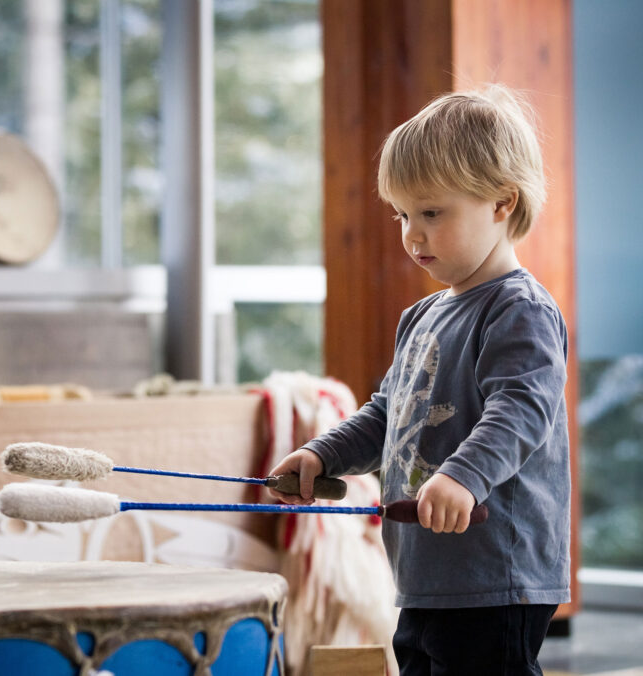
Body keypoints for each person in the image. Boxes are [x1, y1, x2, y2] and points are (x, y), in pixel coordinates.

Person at [269, 84, 570, 675]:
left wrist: (465, 474)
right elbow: (388, 413)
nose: (412, 233)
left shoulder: (519, 309)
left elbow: (522, 409)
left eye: (432, 213)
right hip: (424, 571)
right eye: (403, 214)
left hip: (496, 573)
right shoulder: (422, 316)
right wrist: (322, 454)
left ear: (502, 203)